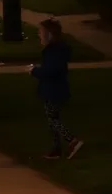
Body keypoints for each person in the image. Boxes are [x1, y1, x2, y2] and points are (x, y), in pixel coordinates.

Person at [31, 17, 83, 160]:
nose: (39, 35)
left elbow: (52, 71)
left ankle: (71, 140)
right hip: (52, 89)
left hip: (53, 90)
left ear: (49, 34)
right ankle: (56, 149)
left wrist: (34, 71)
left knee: (53, 119)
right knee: (52, 119)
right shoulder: (55, 51)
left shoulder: (53, 52)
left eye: (41, 32)